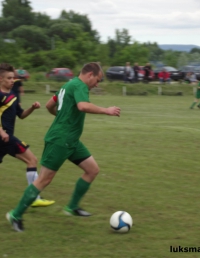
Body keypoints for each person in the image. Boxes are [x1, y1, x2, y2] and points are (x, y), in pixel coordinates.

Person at [6, 62, 121, 232]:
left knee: (92, 170)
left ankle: (72, 207)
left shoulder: (68, 85)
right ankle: (15, 214)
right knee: (44, 179)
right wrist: (107, 110)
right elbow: (82, 106)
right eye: (98, 80)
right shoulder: (80, 85)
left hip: (72, 140)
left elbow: (49, 105)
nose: (97, 84)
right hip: (60, 140)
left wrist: (62, 117)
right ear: (90, 74)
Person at [0, 63, 55, 208]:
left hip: (5, 138)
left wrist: (32, 108)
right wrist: (1, 131)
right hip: (3, 137)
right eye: (9, 78)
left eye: (13, 78)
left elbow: (21, 115)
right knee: (32, 159)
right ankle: (35, 197)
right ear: (0, 79)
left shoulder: (12, 96)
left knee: (31, 160)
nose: (12, 81)